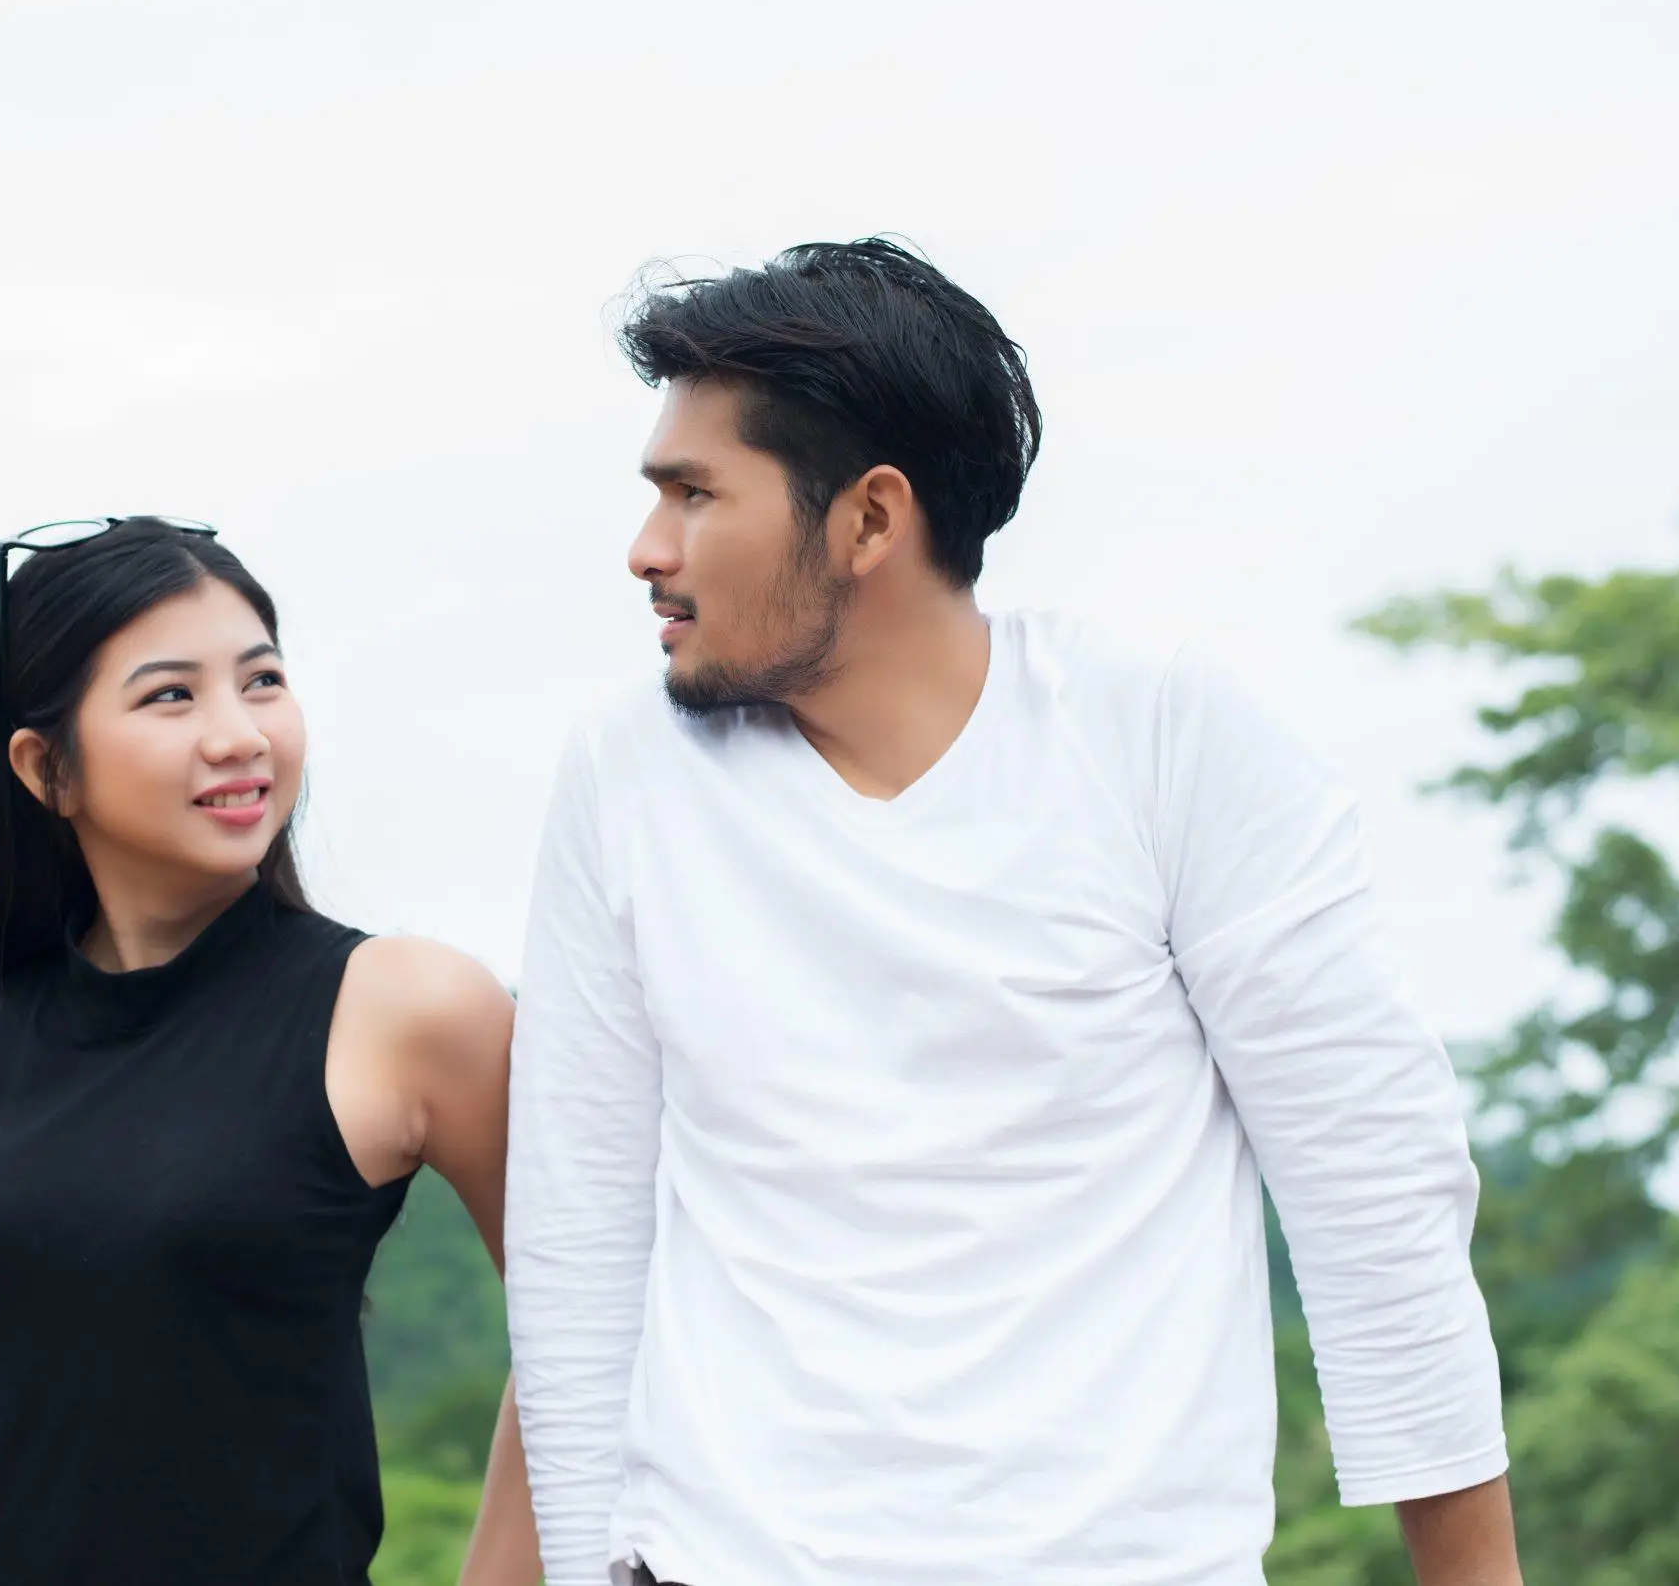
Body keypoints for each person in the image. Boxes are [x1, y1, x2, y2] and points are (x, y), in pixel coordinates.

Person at [503, 241, 1522, 1586]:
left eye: (696, 496)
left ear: (870, 520)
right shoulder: (624, 775)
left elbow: (1373, 1188)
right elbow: (580, 1242)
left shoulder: (1159, 733)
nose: (648, 551)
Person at [0, 517, 537, 1586]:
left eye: (261, 681)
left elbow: (589, 1332)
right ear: (47, 768)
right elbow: (4, 1407)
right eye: (170, 695)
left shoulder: (411, 1007)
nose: (240, 734)